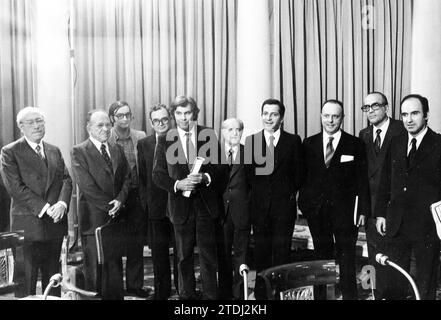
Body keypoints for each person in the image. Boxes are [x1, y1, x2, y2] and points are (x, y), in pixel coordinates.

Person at [298, 100, 369, 300]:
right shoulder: (308, 143)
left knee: (346, 258)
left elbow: (362, 180)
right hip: (317, 212)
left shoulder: (355, 144)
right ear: (321, 116)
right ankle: (321, 297)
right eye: (326, 115)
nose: (330, 120)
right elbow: (303, 178)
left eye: (335, 116)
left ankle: (349, 297)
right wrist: (305, 205)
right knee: (321, 257)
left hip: (345, 214)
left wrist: (362, 209)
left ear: (342, 118)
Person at [153, 95, 221, 300]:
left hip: (205, 206)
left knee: (209, 257)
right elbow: (157, 174)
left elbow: (220, 168)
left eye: (188, 113)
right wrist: (177, 184)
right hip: (180, 207)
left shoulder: (208, 134)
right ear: (174, 115)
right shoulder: (165, 139)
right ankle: (187, 299)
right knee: (183, 257)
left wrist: (206, 177)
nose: (184, 118)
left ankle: (211, 299)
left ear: (195, 113)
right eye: (179, 113)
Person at [0, 107, 72, 297]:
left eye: (40, 121)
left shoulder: (54, 150)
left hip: (54, 225)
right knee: (27, 284)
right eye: (31, 122)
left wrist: (62, 204)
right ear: (20, 127)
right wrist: (47, 208)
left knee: (53, 282)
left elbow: (66, 179)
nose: (37, 126)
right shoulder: (10, 152)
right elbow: (15, 188)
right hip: (28, 227)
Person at [375, 94, 441, 300]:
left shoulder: (438, 143)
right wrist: (380, 214)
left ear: (426, 115)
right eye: (404, 114)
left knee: (425, 282)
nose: (409, 119)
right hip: (397, 224)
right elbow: (384, 181)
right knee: (394, 280)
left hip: (426, 226)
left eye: (414, 113)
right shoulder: (396, 142)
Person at [71, 109, 130, 299]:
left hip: (115, 219)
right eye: (100, 125)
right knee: (95, 272)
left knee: (114, 269)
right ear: (89, 128)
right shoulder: (79, 151)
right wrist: (110, 206)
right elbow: (86, 185)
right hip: (94, 220)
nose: (106, 129)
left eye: (108, 124)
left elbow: (128, 178)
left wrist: (120, 200)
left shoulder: (116, 149)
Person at [245, 99, 303, 274]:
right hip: (259, 209)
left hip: (284, 209)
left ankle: (280, 293)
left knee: (282, 255)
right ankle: (263, 294)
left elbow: (299, 174)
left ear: (282, 117)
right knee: (261, 256)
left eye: (274, 114)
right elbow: (249, 176)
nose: (268, 118)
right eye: (265, 114)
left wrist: (284, 194)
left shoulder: (293, 141)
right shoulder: (251, 141)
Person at [358, 92, 405, 298]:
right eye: (366, 107)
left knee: (394, 258)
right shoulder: (364, 134)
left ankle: (393, 295)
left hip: (394, 207)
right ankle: (372, 293)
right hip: (371, 209)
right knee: (372, 255)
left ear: (387, 108)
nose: (370, 111)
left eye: (375, 106)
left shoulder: (402, 129)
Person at [108, 101, 150, 298]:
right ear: (112, 119)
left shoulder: (140, 136)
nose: (125, 119)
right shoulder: (106, 138)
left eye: (128, 115)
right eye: (120, 116)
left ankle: (135, 285)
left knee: (136, 243)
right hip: (115, 197)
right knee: (114, 244)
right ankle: (116, 287)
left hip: (136, 196)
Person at [137, 104, 179, 300]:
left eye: (164, 119)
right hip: (156, 209)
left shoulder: (180, 139)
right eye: (156, 121)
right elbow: (143, 177)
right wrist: (147, 204)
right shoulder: (144, 144)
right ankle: (162, 293)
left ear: (169, 120)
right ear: (151, 123)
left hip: (178, 205)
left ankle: (182, 291)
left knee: (181, 252)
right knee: (159, 255)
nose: (161, 124)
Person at [217, 118, 251, 300]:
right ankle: (223, 294)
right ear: (223, 132)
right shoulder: (213, 154)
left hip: (242, 212)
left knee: (241, 255)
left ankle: (239, 296)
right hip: (220, 213)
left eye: (238, 129)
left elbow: (254, 186)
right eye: (230, 130)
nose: (234, 133)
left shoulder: (250, 153)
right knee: (222, 255)